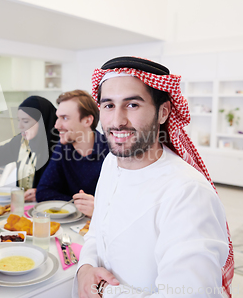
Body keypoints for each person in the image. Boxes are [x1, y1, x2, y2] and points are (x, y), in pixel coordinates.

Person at [74, 57, 234, 298]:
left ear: (163, 112)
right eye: (108, 105)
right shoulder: (110, 163)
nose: (117, 120)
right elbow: (97, 230)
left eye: (132, 105)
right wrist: (85, 268)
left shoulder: (188, 192)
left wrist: (104, 290)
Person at [36, 90, 109, 217]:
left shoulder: (111, 152)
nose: (57, 125)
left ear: (87, 121)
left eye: (64, 118)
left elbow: (125, 202)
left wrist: (98, 207)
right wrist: (79, 204)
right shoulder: (63, 148)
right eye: (57, 117)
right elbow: (43, 192)